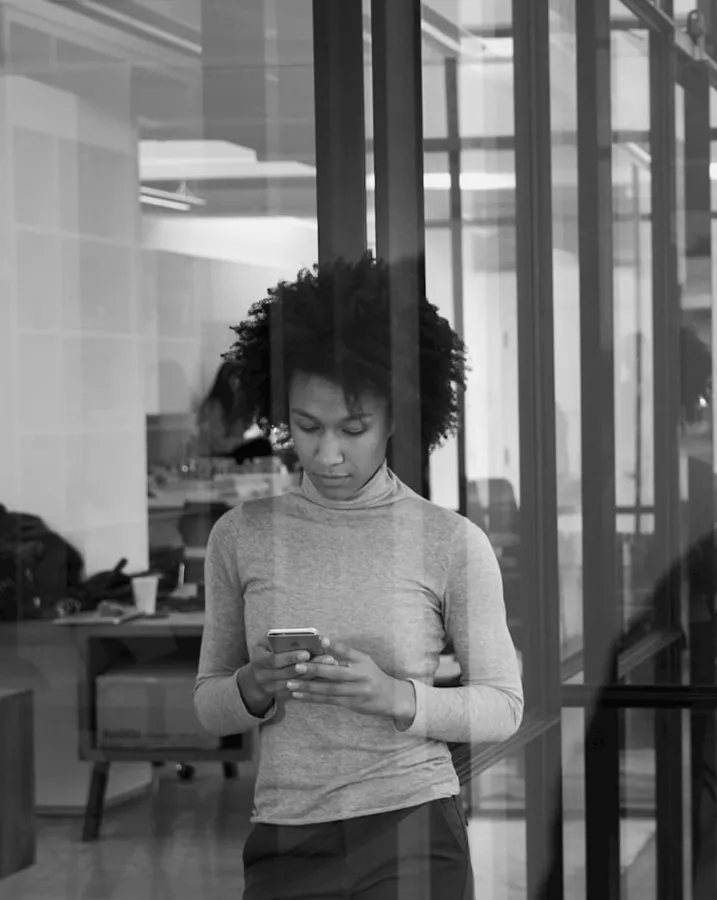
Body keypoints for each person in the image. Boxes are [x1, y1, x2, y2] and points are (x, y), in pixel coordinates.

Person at [194, 252, 522, 900]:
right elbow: (209, 706)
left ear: (397, 417)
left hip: (413, 828)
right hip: (287, 834)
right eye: (307, 427)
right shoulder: (241, 535)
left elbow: (504, 706)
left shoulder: (450, 542)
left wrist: (397, 698)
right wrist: (254, 684)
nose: (327, 453)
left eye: (354, 428)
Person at [196, 361, 271, 460]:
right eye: (234, 378)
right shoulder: (214, 405)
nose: (237, 382)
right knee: (262, 446)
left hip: (233, 450)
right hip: (217, 455)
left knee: (263, 445)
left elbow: (242, 431)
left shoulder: (241, 403)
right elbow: (217, 444)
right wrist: (243, 442)